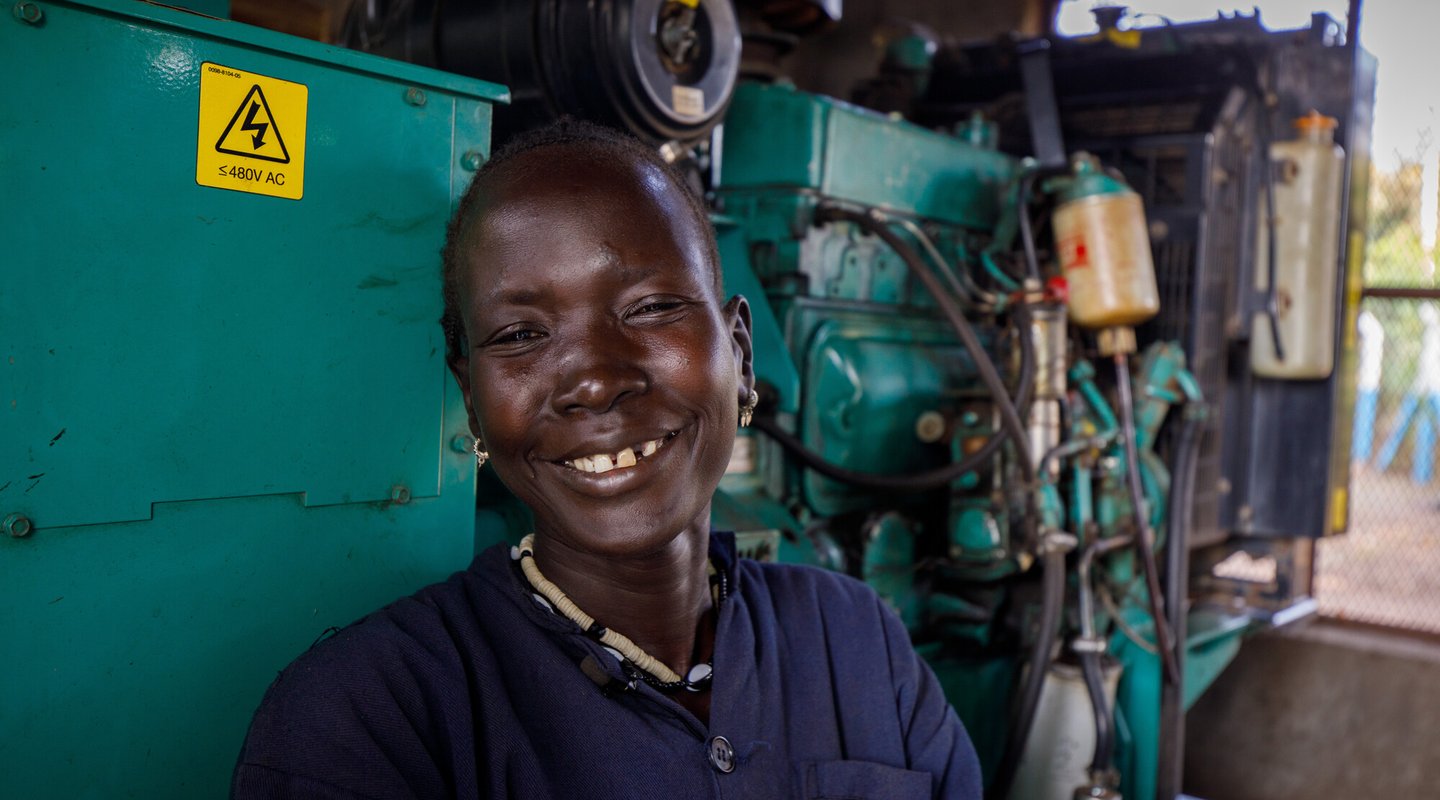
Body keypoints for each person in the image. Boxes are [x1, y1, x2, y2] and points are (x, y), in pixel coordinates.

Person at [231, 119, 982, 799]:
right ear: (473, 402)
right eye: (520, 335)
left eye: (651, 308)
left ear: (741, 358)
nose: (595, 379)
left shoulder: (855, 639)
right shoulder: (367, 721)